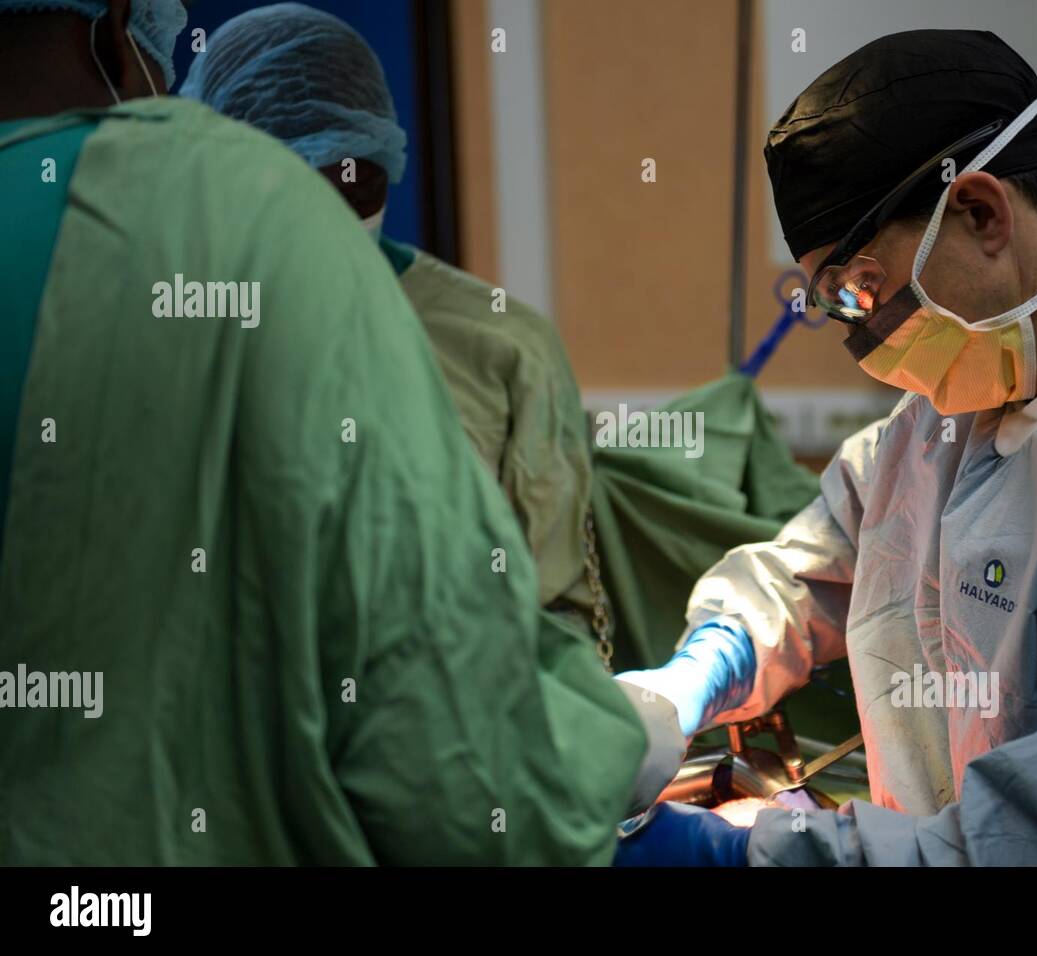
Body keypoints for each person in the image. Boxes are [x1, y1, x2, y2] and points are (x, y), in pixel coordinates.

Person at [614, 29, 1037, 865]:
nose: (861, 337)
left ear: (979, 212)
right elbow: (835, 554)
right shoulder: (983, 375)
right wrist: (696, 675)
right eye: (833, 304)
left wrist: (731, 855)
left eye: (861, 287)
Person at [0, 0, 650, 864]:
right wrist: (604, 751)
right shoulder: (245, 233)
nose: (331, 202)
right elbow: (458, 772)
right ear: (123, 33)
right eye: (305, 179)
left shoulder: (494, 344)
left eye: (355, 177)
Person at [180, 3, 600, 633]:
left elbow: (558, 609)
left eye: (359, 188)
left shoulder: (499, 345)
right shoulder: (174, 338)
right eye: (304, 194)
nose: (336, 222)